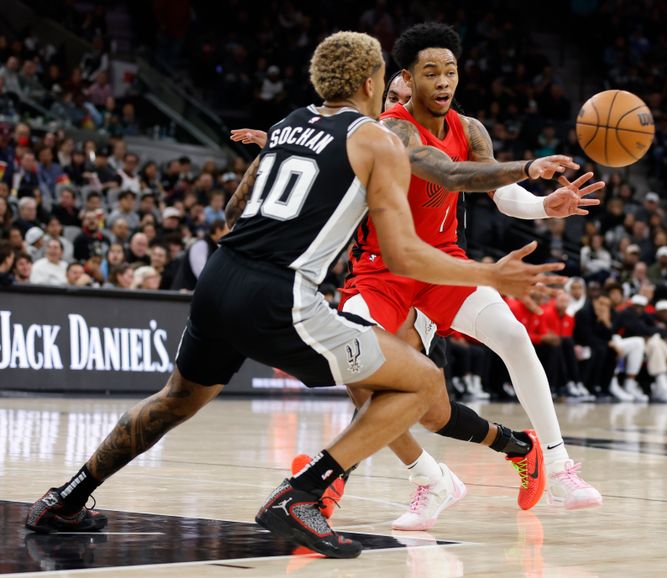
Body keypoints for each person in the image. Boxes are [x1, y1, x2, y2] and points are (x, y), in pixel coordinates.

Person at [26, 31, 560, 559]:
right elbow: (404, 254)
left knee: (174, 401)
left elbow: (235, 214)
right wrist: (488, 274)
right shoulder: (378, 138)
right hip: (279, 295)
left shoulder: (286, 125)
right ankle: (303, 493)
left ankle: (64, 499)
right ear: (374, 81)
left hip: (219, 277)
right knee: (421, 381)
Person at [233, 23, 604, 525]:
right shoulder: (395, 128)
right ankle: (431, 479)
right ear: (406, 77)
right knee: (364, 380)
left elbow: (494, 191)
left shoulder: (471, 130)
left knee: (513, 336)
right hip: (378, 269)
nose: (443, 81)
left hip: (441, 264)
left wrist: (544, 203)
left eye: (450, 71)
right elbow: (449, 175)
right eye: (431, 72)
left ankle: (558, 466)